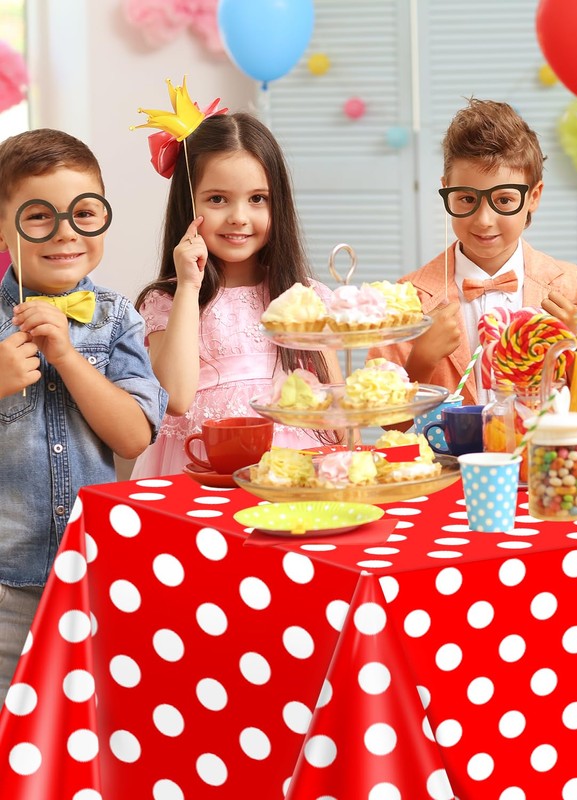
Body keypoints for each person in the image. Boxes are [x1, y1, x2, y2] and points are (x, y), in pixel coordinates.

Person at [0, 128, 166, 703]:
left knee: (86, 729)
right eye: (39, 217)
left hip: (92, 574)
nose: (66, 232)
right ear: (3, 227)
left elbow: (133, 437)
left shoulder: (118, 317)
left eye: (84, 213)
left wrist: (68, 356)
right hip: (5, 586)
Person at [132, 112, 342, 479]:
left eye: (258, 198)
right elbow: (176, 398)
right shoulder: (167, 301)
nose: (239, 217)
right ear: (188, 205)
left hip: (295, 473)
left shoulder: (304, 298)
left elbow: (340, 421)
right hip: (204, 473)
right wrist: (188, 287)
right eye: (217, 199)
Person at [367, 98, 577, 406]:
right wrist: (421, 359)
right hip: (448, 455)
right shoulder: (408, 298)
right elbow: (391, 419)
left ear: (534, 197)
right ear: (446, 188)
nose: (484, 220)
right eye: (465, 199)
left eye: (503, 200)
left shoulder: (570, 288)